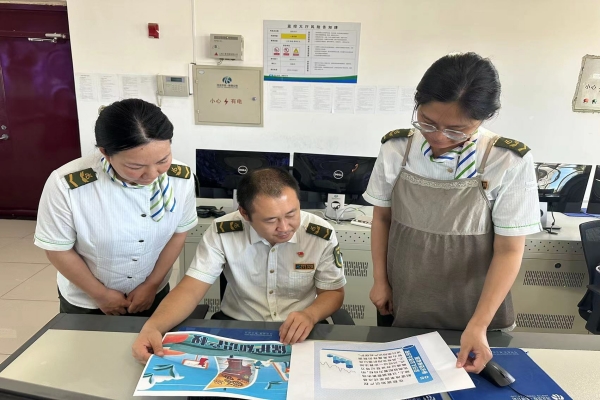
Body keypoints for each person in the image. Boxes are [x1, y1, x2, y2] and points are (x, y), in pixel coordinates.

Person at [363, 53, 541, 373]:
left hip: (476, 306)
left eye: (457, 130)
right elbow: (382, 218)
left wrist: (479, 324)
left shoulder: (507, 160)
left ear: (483, 119)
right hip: (405, 297)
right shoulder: (397, 148)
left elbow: (509, 250)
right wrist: (380, 280)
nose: (439, 137)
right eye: (427, 122)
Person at [132, 167, 346, 362]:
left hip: (301, 329)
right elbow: (191, 289)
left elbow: (333, 291)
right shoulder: (223, 231)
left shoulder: (320, 234)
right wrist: (153, 327)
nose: (284, 227)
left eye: (292, 214)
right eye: (270, 220)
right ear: (245, 213)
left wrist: (310, 315)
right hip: (236, 327)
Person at [34, 99, 198, 317]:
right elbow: (58, 248)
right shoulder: (67, 184)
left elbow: (178, 234)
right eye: (135, 166)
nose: (151, 174)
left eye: (162, 160)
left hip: (152, 293)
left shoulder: (181, 178)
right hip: (88, 300)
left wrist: (151, 284)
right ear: (105, 152)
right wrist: (100, 294)